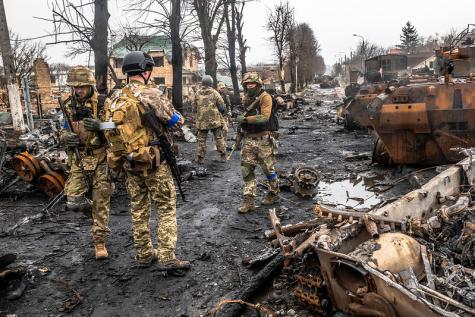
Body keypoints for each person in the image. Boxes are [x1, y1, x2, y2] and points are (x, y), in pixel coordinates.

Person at [104, 51, 190, 270]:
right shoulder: (151, 94)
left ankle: (143, 254)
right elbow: (176, 122)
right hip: (154, 162)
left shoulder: (113, 98)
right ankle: (167, 257)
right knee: (165, 208)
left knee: (139, 208)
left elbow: (107, 129)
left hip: (128, 162)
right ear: (145, 70)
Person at [61, 66, 114, 260]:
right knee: (73, 201)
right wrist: (65, 136)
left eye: (82, 86)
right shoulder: (67, 105)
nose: (79, 90)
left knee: (101, 199)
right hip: (79, 158)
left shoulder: (103, 102)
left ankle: (99, 241)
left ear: (90, 85)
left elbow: (116, 125)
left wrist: (101, 126)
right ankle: (98, 216)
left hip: (101, 157)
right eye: (75, 87)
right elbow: (64, 128)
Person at [237, 72, 280, 213]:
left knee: (268, 170)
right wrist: (239, 134)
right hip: (248, 139)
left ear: (258, 84)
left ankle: (274, 193)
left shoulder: (265, 97)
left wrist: (246, 119)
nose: (250, 86)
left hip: (263, 140)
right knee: (246, 171)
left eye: (252, 84)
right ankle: (248, 201)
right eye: (247, 84)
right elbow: (242, 118)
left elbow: (264, 118)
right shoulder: (245, 98)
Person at [193, 75, 227, 163]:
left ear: (202, 83)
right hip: (215, 121)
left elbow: (194, 108)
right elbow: (222, 107)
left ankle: (200, 158)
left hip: (201, 121)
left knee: (201, 140)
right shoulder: (215, 93)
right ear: (211, 83)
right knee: (219, 138)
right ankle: (223, 156)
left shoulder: (197, 93)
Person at [216, 82, 233, 146]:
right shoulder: (215, 95)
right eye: (221, 88)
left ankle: (224, 143)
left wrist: (229, 112)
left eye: (223, 88)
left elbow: (229, 105)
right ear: (218, 88)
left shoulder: (226, 95)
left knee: (225, 129)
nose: (222, 89)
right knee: (218, 131)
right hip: (216, 115)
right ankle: (217, 144)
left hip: (224, 115)